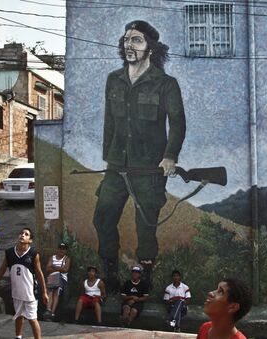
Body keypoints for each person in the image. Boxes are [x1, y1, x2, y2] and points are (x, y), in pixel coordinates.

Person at [93, 19, 186, 290]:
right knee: (103, 215)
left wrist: (170, 157)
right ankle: (108, 270)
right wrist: (107, 155)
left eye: (137, 40)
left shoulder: (165, 84)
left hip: (149, 167)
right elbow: (109, 121)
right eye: (127, 40)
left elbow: (178, 123)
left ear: (150, 47)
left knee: (145, 224)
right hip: (117, 165)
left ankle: (144, 275)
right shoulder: (114, 79)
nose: (129, 45)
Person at [0, 228, 48, 339]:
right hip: (16, 293)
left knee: (32, 319)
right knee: (18, 316)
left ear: (30, 240)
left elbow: (39, 273)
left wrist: (44, 292)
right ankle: (18, 336)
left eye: (26, 234)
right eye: (21, 233)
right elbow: (1, 270)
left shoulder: (33, 254)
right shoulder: (10, 253)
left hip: (30, 293)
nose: (22, 235)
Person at [44, 242, 71, 320]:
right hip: (52, 276)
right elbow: (47, 269)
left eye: (63, 249)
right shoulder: (52, 257)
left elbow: (65, 270)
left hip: (62, 278)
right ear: (58, 249)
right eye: (60, 248)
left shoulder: (67, 259)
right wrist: (59, 269)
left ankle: (52, 312)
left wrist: (53, 266)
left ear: (66, 250)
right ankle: (48, 310)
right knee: (50, 291)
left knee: (56, 292)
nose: (61, 250)